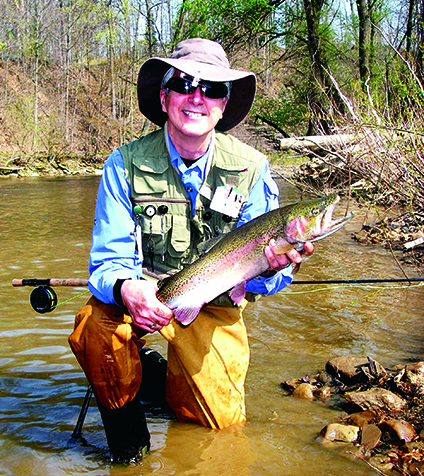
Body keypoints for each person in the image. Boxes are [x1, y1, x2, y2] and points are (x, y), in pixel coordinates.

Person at [68, 38, 314, 464]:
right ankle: (129, 451)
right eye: (184, 84)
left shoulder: (253, 170)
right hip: (145, 296)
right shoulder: (122, 165)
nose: (197, 97)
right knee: (94, 329)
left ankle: (158, 379)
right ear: (164, 98)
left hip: (215, 304)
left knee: (219, 436)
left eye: (213, 89)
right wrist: (126, 289)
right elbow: (107, 264)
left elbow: (271, 283)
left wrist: (270, 269)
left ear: (223, 106)